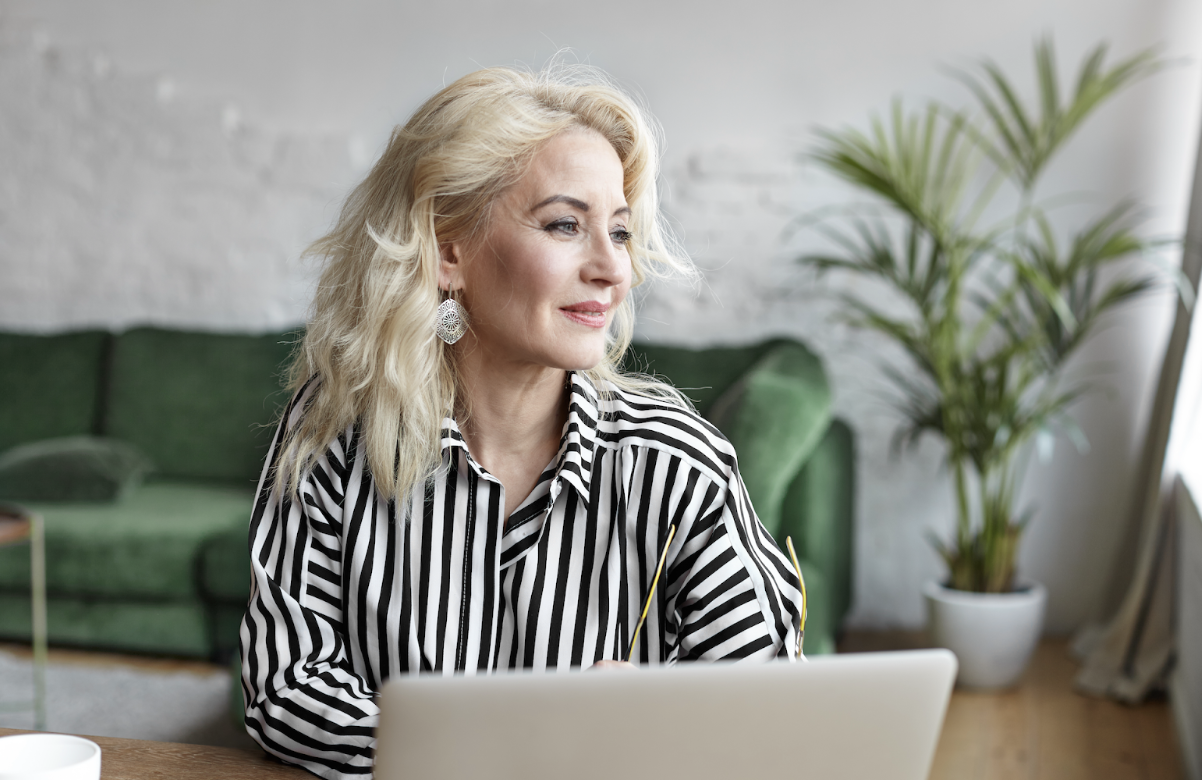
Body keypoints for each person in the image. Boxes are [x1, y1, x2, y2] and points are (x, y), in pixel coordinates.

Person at [239, 64, 805, 780]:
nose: (613, 269)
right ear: (448, 252)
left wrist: (669, 720)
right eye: (566, 224)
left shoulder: (677, 464)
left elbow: (775, 729)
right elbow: (286, 691)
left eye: (621, 232)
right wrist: (514, 750)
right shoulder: (336, 434)